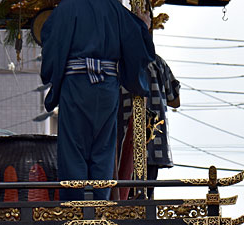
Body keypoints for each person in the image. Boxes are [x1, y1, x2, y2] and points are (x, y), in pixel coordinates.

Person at [40, 0, 155, 200]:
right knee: (104, 147)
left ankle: (75, 206)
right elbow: (136, 39)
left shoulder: (66, 8)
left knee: (73, 147)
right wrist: (143, 26)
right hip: (107, 86)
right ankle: (100, 203)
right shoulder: (115, 8)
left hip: (75, 83)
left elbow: (51, 43)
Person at [116, 53, 180, 200]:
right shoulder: (158, 62)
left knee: (123, 196)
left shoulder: (117, 61)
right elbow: (175, 100)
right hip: (153, 141)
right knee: (146, 196)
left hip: (124, 139)